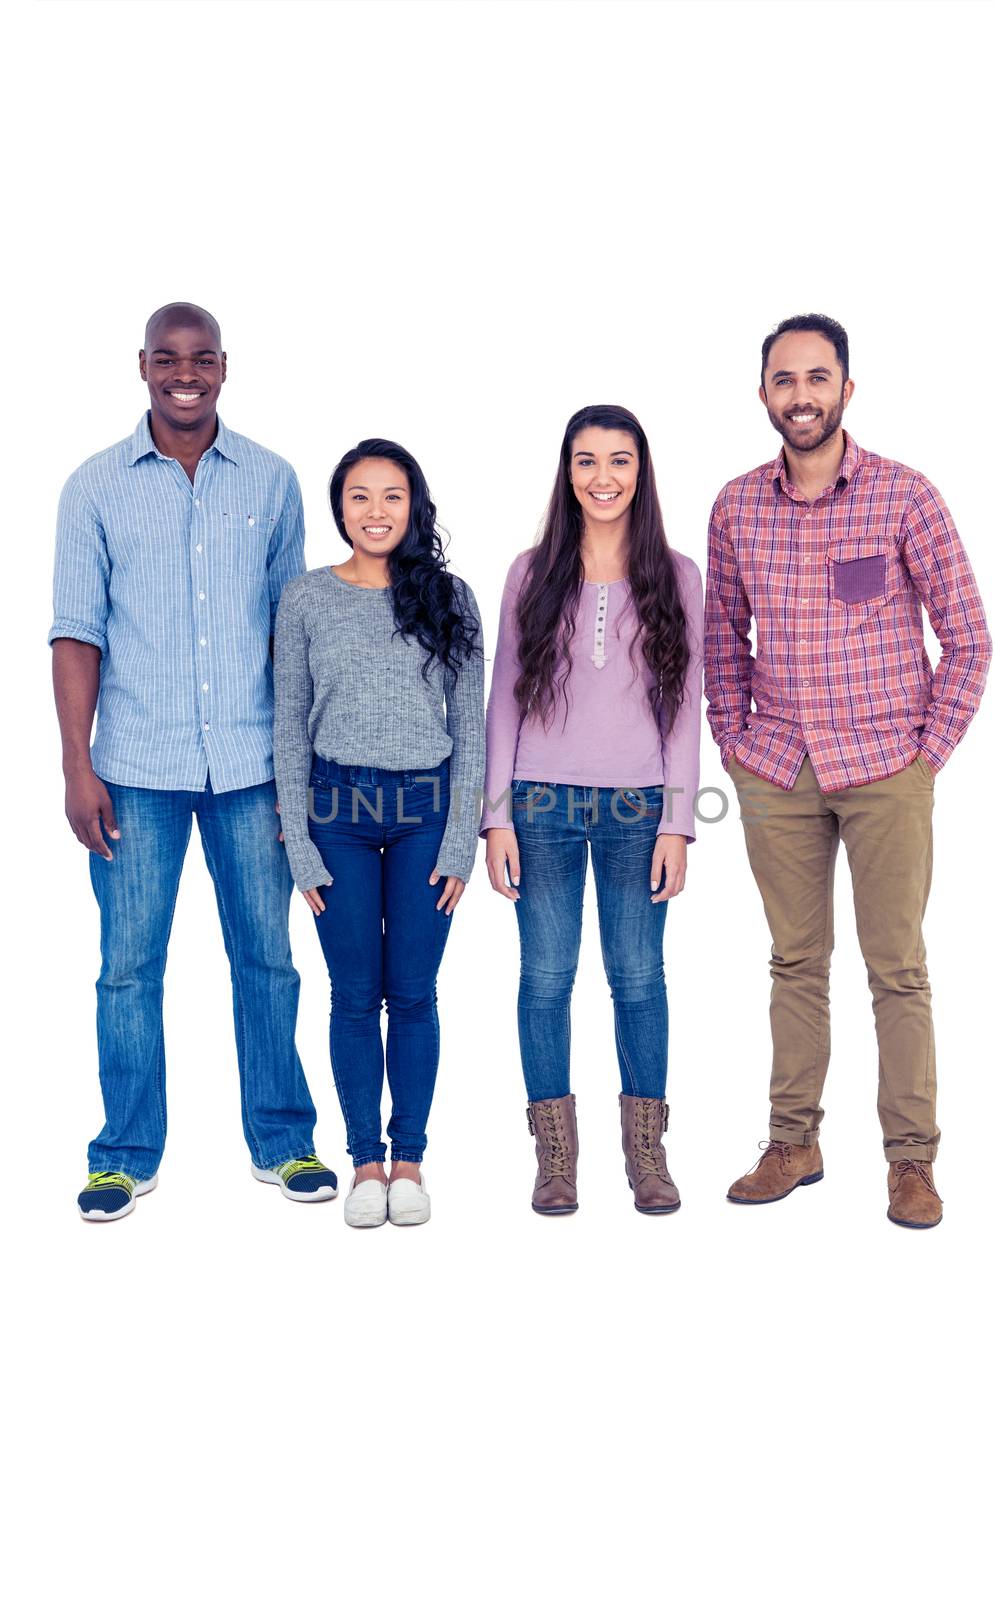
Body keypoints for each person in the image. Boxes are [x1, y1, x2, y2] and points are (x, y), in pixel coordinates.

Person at [51, 302, 336, 1222]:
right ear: (142, 367)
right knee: (127, 967)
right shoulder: (94, 487)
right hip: (134, 767)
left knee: (268, 959)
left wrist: (300, 769)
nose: (186, 373)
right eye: (168, 358)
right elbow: (75, 634)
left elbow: (290, 639)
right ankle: (123, 1155)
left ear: (224, 366)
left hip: (253, 767)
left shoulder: (273, 480)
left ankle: (285, 1142)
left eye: (202, 358)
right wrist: (75, 766)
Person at [706, 313, 992, 1229]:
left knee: (896, 967)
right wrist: (734, 743)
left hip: (884, 768)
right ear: (762, 396)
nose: (801, 397)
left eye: (816, 378)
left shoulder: (905, 497)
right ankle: (793, 1141)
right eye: (783, 381)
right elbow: (719, 639)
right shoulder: (736, 506)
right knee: (795, 961)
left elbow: (970, 641)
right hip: (776, 768)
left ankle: (911, 1161)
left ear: (846, 390)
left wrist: (925, 756)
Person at [483, 404, 702, 1217]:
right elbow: (501, 700)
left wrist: (677, 822)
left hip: (640, 807)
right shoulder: (528, 571)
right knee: (545, 978)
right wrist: (495, 817)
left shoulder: (678, 575)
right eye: (585, 461)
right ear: (566, 473)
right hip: (538, 803)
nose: (601, 477)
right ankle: (555, 1160)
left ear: (640, 472)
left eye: (618, 461)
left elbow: (686, 707)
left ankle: (646, 1154)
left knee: (638, 978)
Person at [273, 440, 484, 1229]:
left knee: (415, 993)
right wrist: (300, 844)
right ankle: (364, 1161)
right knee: (355, 996)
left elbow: (472, 727)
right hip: (339, 816)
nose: (375, 512)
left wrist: (461, 838)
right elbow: (287, 729)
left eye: (391, 496)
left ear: (413, 505)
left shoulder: (450, 597)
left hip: (428, 814)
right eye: (359, 497)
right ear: (339, 509)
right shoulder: (304, 599)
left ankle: (411, 1162)